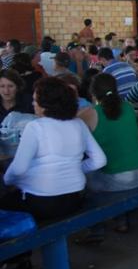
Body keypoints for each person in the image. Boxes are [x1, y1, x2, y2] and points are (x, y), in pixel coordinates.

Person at [2, 77, 106, 218]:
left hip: (42, 202)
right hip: (75, 198)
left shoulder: (35, 127)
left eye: (35, 100)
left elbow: (19, 168)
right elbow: (100, 160)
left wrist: (7, 181)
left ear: (45, 105)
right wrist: (73, 169)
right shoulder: (78, 124)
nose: (33, 104)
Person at [77, 74, 138, 238]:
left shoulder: (89, 114)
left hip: (120, 179)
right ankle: (121, 221)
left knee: (83, 175)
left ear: (92, 93)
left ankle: (95, 228)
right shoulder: (128, 107)